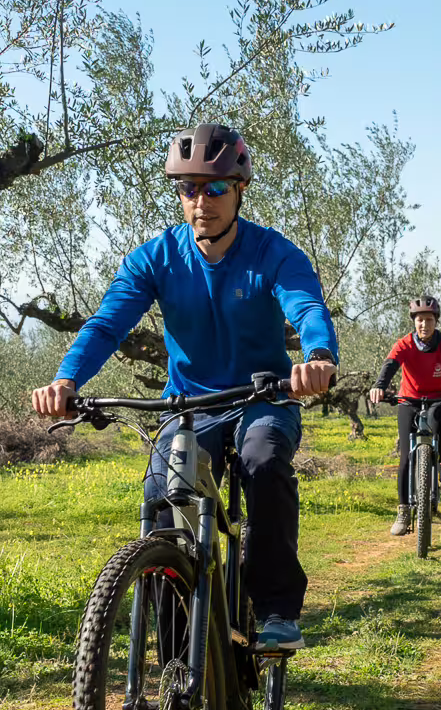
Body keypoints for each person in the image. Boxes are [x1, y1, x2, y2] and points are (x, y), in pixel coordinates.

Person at [32, 123, 337, 651]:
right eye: (188, 188)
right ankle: (178, 654)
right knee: (160, 494)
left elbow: (307, 306)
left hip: (263, 398)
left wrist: (317, 357)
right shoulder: (155, 258)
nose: (202, 201)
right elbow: (106, 326)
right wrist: (67, 379)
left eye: (215, 188)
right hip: (190, 404)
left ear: (240, 189)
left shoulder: (273, 253)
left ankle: (276, 610)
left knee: (263, 461)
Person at [367, 295, 441, 535]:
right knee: (406, 458)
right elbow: (390, 365)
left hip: (440, 398)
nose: (424, 324)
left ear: (436, 321)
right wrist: (379, 386)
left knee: (439, 419)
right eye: (420, 320)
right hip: (410, 399)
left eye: (429, 320)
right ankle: (403, 511)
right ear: (414, 322)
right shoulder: (404, 344)